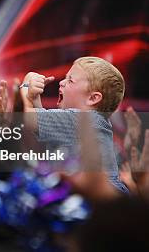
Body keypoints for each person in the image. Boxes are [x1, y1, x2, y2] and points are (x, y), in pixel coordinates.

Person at [20, 56, 128, 192]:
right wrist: (34, 98)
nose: (62, 83)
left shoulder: (85, 118)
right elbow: (40, 125)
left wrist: (25, 87)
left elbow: (31, 119)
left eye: (70, 80)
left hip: (104, 202)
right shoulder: (91, 121)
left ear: (93, 98)